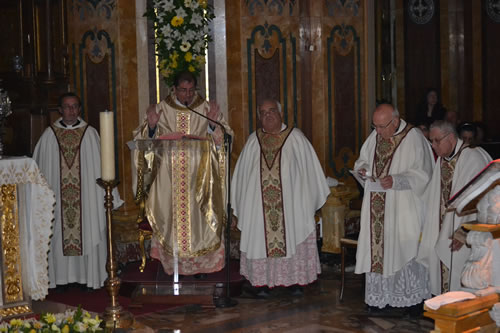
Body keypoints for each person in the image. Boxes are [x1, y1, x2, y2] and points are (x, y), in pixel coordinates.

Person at [133, 71, 233, 276]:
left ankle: (204, 266)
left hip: (201, 178)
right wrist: (151, 127)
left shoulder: (206, 109)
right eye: (182, 90)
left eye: (191, 91)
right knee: (171, 223)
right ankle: (173, 266)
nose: (187, 95)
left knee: (201, 223)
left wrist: (213, 126)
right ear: (174, 89)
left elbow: (226, 141)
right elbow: (142, 143)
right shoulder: (160, 109)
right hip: (169, 181)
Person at [231, 99, 329, 295]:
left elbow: (311, 173)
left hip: (291, 208)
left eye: (272, 111)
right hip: (259, 210)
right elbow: (241, 178)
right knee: (260, 238)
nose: (267, 115)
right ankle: (262, 282)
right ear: (259, 117)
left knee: (293, 234)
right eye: (263, 112)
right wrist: (240, 206)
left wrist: (306, 201)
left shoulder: (296, 138)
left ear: (281, 114)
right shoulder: (253, 140)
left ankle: (294, 281)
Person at [33, 92, 123, 290]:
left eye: (75, 106)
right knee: (56, 230)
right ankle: (60, 279)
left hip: (86, 201)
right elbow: (39, 171)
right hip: (58, 199)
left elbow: (103, 165)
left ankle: (89, 278)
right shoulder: (49, 136)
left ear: (80, 109)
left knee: (88, 225)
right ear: (60, 110)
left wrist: (111, 195)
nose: (71, 111)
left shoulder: (90, 133)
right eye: (67, 106)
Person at [353, 104, 434, 313]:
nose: (378, 132)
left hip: (404, 208)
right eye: (375, 126)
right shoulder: (376, 137)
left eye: (381, 126)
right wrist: (362, 170)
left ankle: (409, 301)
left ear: (395, 122)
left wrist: (397, 180)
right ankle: (379, 299)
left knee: (402, 251)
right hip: (377, 209)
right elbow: (363, 159)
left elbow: (424, 174)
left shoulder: (414, 137)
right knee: (379, 252)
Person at [417, 121, 492, 295]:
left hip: (466, 233)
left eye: (437, 141)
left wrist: (464, 230)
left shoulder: (473, 158)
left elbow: (482, 200)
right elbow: (433, 196)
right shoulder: (444, 160)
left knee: (464, 280)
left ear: (450, 137)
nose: (433, 146)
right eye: (431, 141)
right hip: (445, 229)